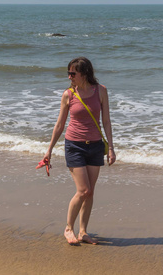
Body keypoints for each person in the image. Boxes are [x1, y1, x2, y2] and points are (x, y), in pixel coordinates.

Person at [42, 57, 116, 245]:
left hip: (96, 146)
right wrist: (49, 150)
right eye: (68, 73)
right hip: (74, 146)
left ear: (85, 74)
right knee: (83, 190)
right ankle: (68, 228)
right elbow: (60, 124)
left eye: (73, 73)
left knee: (90, 192)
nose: (69, 77)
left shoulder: (101, 91)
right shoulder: (68, 94)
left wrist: (112, 148)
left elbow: (106, 121)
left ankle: (83, 231)